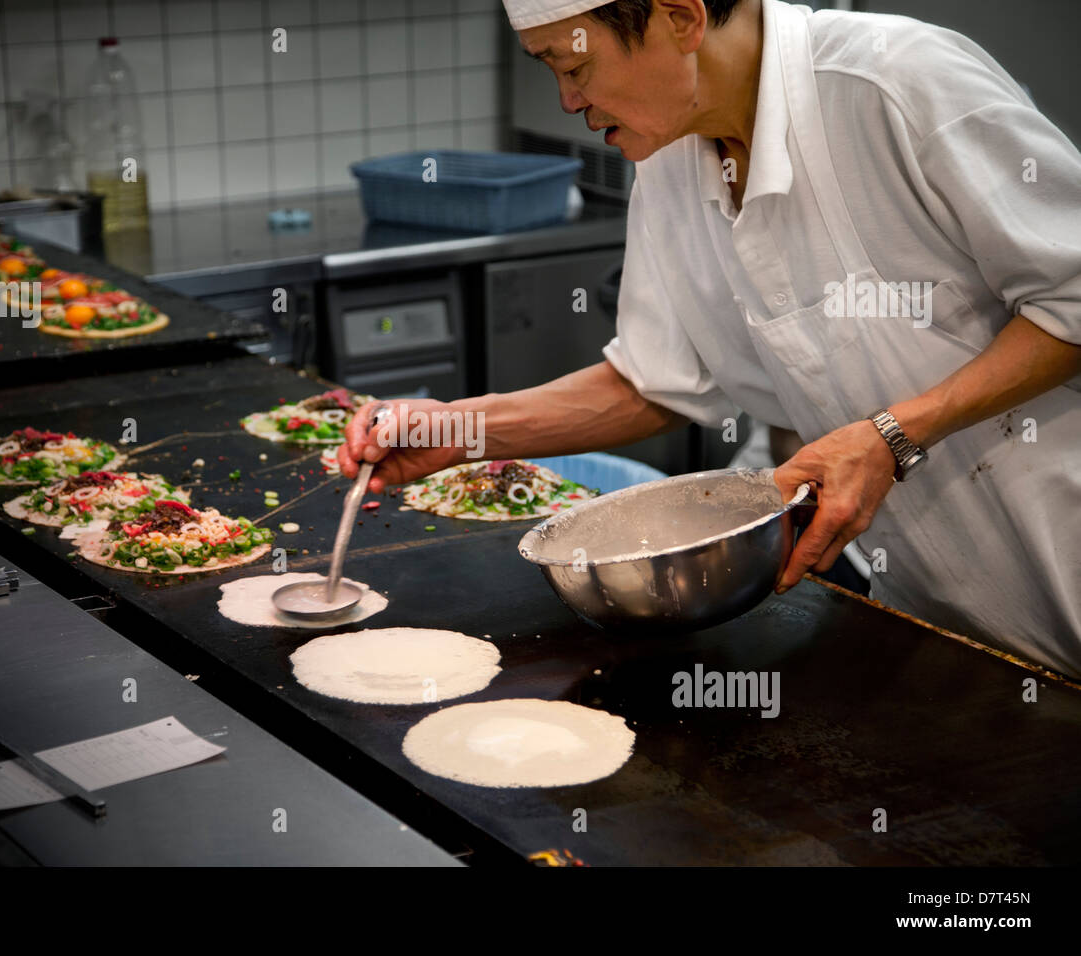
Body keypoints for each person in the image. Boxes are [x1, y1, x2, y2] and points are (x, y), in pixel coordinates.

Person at [341, 0, 1081, 677]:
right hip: (947, 627)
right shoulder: (668, 159)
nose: (568, 100)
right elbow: (656, 383)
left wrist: (893, 434)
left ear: (681, 18)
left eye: (574, 66)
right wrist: (456, 427)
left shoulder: (893, 82)